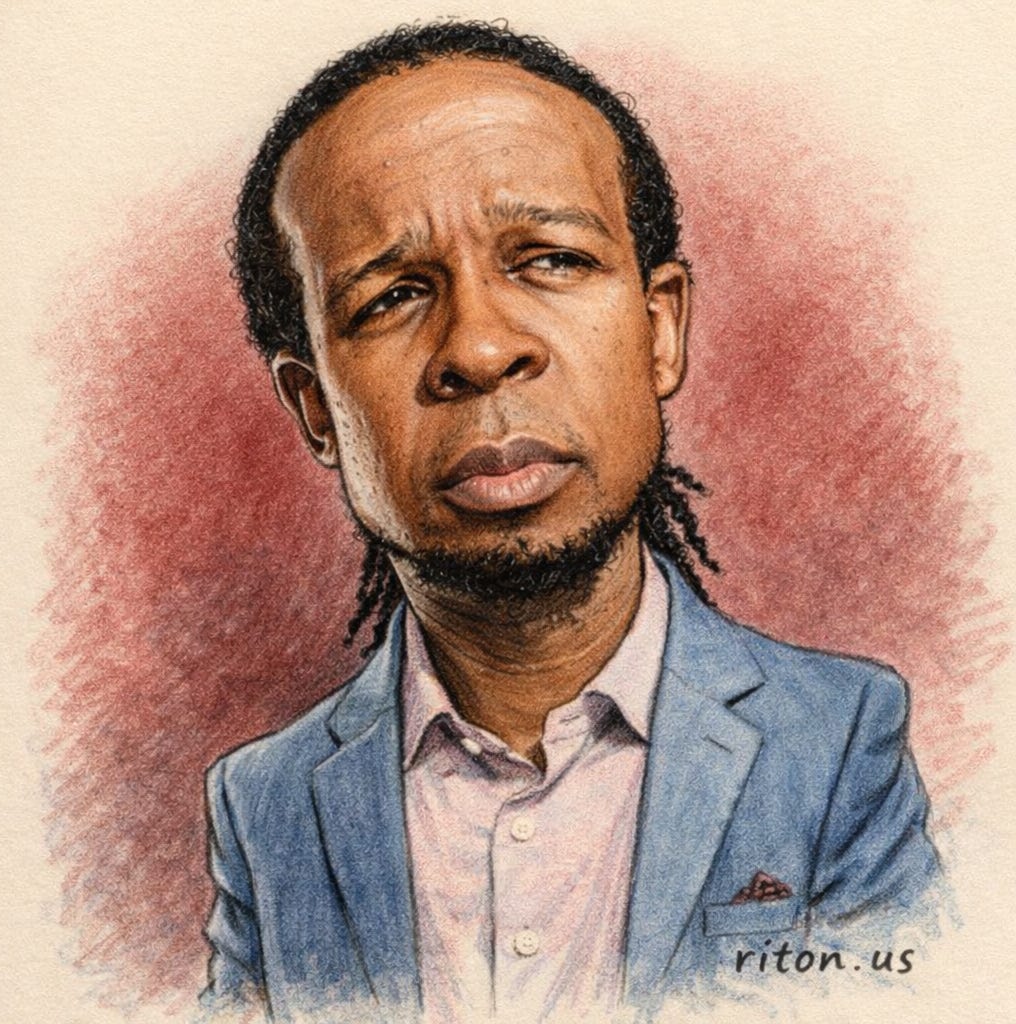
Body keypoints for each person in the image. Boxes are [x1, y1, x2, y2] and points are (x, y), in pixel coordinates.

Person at [202, 21, 941, 1024]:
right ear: (316, 409)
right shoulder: (263, 806)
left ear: (659, 328)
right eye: (393, 296)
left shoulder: (839, 739)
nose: (479, 348)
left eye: (549, 259)